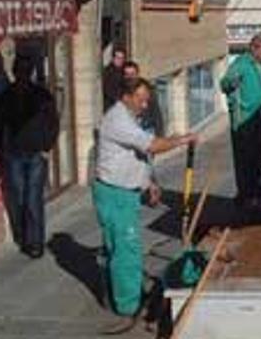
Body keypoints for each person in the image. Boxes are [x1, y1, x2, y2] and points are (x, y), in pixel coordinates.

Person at [93, 77, 196, 334]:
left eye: (147, 98)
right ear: (126, 97)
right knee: (125, 250)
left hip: (125, 191)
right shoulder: (118, 120)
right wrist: (183, 140)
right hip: (115, 194)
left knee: (120, 247)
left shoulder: (131, 119)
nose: (145, 103)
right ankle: (129, 308)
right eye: (141, 98)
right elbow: (151, 145)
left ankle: (122, 292)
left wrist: (148, 181)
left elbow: (138, 155)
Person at [0, 55, 58, 259]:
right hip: (14, 154)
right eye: (19, 71)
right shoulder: (6, 96)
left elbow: (53, 122)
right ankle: (22, 236)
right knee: (19, 198)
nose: (22, 74)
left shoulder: (42, 95)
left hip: (35, 154)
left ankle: (36, 242)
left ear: (29, 73)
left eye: (25, 70)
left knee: (33, 199)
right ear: (14, 72)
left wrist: (46, 146)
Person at [220, 34, 261, 212]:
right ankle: (244, 193)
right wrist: (231, 82)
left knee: (257, 154)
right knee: (244, 158)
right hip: (242, 117)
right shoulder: (240, 64)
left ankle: (254, 186)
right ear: (253, 49)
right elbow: (224, 84)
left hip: (257, 114)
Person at [122, 61, 164, 136]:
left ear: (137, 75)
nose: (129, 77)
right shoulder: (121, 91)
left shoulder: (147, 90)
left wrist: (160, 136)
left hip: (146, 131)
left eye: (132, 74)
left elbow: (157, 115)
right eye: (127, 74)